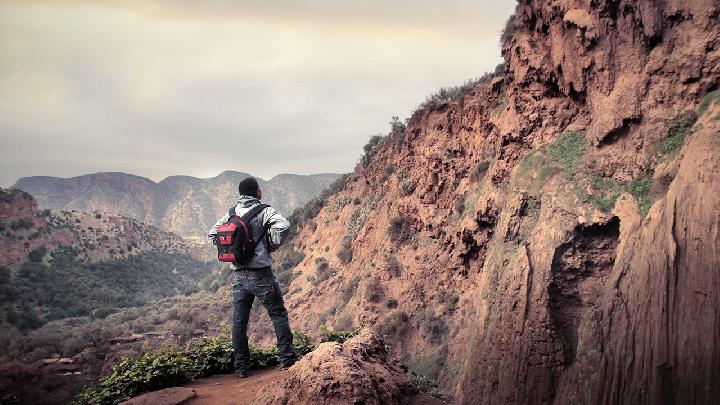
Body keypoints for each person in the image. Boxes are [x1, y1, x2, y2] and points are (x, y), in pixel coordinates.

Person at [208, 177, 297, 378]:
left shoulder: (231, 214)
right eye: (259, 189)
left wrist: (232, 251)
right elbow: (284, 226)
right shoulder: (264, 210)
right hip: (261, 274)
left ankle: (241, 367)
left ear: (241, 193)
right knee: (278, 314)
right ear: (256, 192)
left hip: (238, 275)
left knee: (239, 321)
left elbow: (213, 234)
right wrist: (272, 245)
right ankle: (287, 358)